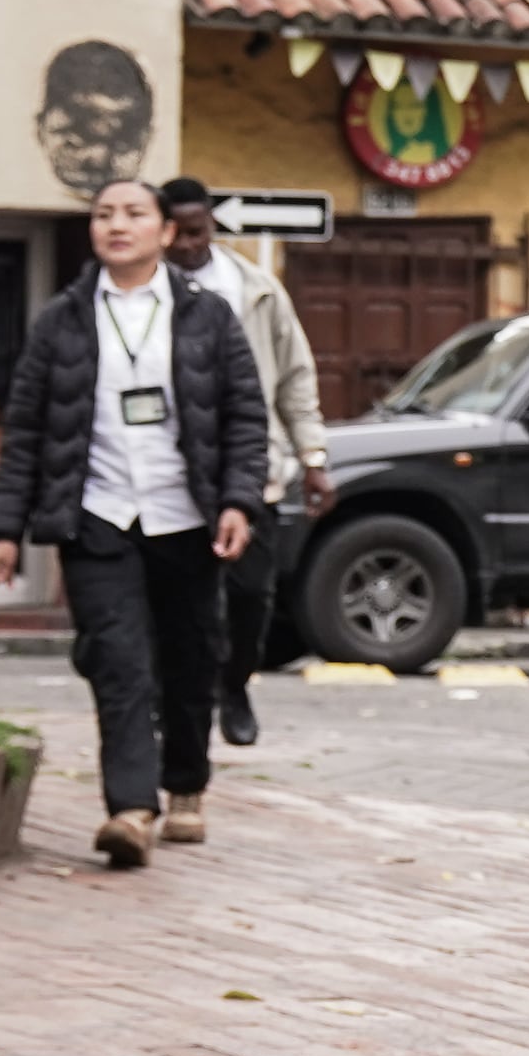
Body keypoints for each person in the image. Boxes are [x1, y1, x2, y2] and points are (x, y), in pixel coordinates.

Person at [0, 180, 266, 869]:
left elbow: (244, 418)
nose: (117, 225)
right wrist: (4, 529)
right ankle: (131, 809)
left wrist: (238, 501)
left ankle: (187, 784)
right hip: (98, 515)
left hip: (185, 516)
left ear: (166, 232)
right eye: (104, 215)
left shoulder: (209, 317)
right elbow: (26, 430)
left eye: (134, 214)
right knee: (118, 661)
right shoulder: (62, 320)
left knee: (192, 655)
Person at [154, 178, 330, 749]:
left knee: (252, 597)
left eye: (196, 232)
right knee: (180, 601)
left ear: (212, 227)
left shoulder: (255, 289)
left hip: (254, 470)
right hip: (173, 476)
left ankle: (235, 684)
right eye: (174, 233)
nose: (184, 245)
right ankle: (182, 698)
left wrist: (313, 456)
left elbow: (296, 374)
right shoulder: (144, 291)